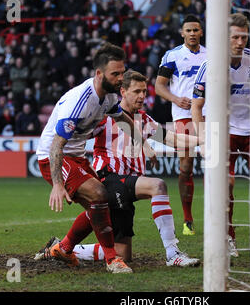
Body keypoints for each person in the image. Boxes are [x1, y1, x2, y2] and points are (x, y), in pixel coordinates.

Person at [35, 70, 200, 267]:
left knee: (124, 253)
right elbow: (77, 135)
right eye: (136, 91)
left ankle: (62, 247)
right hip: (109, 179)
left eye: (144, 91)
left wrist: (205, 141)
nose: (141, 96)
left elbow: (174, 140)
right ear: (122, 91)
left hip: (130, 185)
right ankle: (173, 254)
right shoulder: (104, 117)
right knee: (158, 186)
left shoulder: (144, 120)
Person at [35, 43, 151, 274]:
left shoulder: (108, 97)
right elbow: (57, 145)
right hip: (53, 156)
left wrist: (143, 142)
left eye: (122, 72)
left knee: (99, 204)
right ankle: (112, 260)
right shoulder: (80, 100)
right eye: (115, 74)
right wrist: (58, 184)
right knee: (99, 194)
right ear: (99, 74)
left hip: (75, 156)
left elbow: (121, 118)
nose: (121, 79)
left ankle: (63, 249)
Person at [191, 13, 250, 256]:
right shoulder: (210, 65)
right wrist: (202, 138)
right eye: (235, 37)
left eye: (243, 37)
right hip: (223, 129)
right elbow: (196, 106)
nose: (240, 42)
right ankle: (228, 237)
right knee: (226, 183)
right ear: (225, 37)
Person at [154, 14, 206, 236]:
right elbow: (159, 86)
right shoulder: (172, 56)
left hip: (209, 114)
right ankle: (188, 219)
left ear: (201, 32)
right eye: (189, 30)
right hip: (183, 115)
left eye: (196, 30)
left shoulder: (212, 55)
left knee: (218, 166)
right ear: (182, 33)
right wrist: (176, 99)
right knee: (186, 167)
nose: (192, 34)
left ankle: (223, 220)